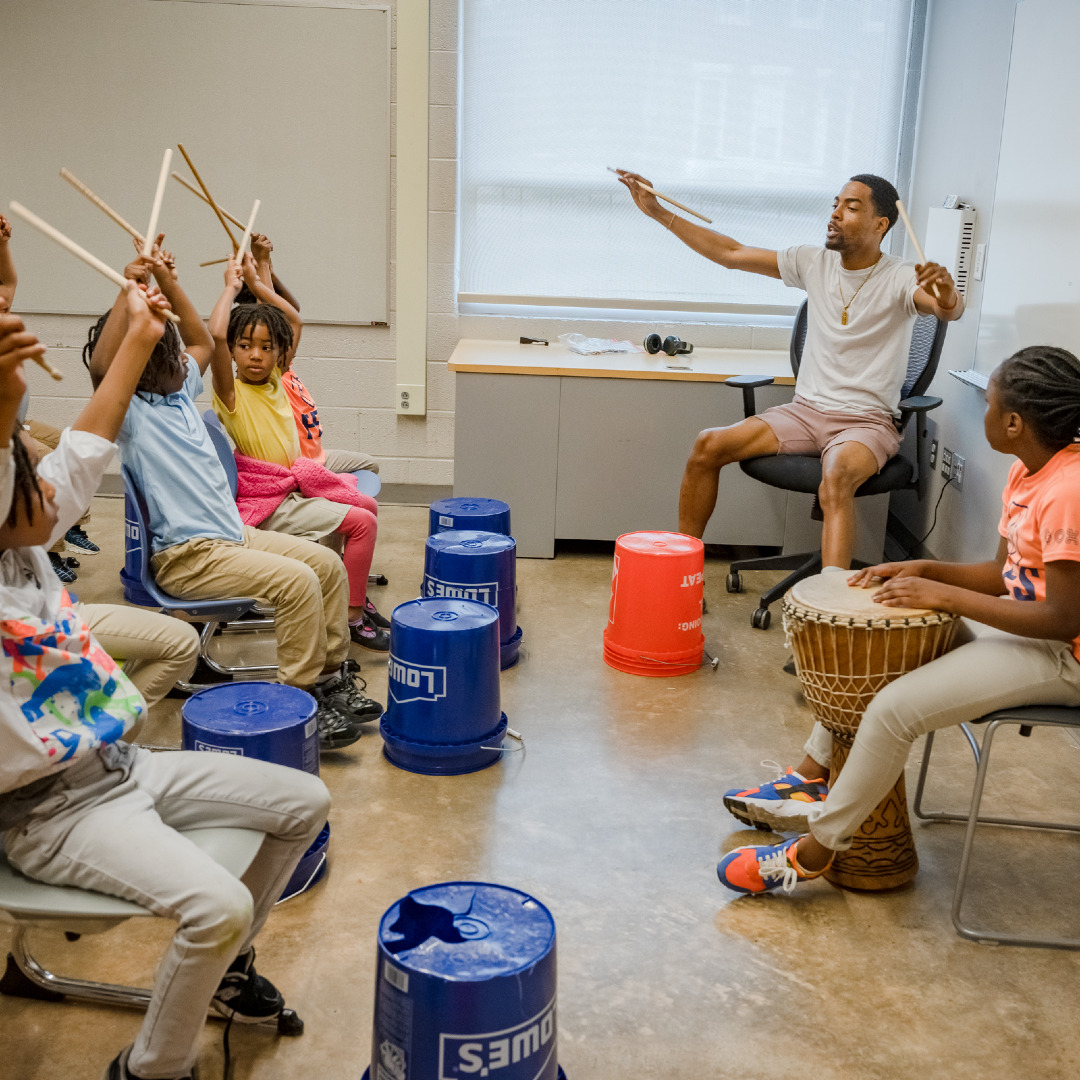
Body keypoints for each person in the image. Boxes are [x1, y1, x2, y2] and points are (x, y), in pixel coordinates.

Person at [0, 293, 332, 1080]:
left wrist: (141, 332)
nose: (55, 496)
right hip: (44, 811)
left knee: (304, 805)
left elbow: (81, 445)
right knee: (214, 905)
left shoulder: (29, 553)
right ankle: (152, 1068)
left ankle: (223, 973)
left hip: (121, 768)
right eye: (30, 485)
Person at [716, 345, 1080, 894]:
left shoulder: (1069, 491)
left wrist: (944, 597)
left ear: (1013, 422)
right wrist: (924, 568)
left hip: (1064, 656)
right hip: (1021, 627)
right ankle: (812, 777)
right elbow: (1005, 575)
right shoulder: (1028, 472)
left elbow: (1061, 617)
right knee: (879, 651)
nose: (982, 411)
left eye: (988, 403)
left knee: (891, 711)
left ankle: (811, 854)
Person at [84, 242, 380, 749]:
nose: (184, 355)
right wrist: (128, 287)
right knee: (299, 583)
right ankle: (301, 701)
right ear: (140, 368)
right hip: (188, 556)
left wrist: (168, 281)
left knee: (326, 568)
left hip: (230, 536)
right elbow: (105, 366)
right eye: (168, 350)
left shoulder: (178, 395)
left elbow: (204, 338)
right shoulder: (129, 410)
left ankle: (330, 681)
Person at [617, 170, 965, 569]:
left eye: (851, 207)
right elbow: (730, 253)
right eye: (835, 204)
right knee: (707, 445)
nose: (835, 213)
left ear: (879, 224)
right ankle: (681, 572)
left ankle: (829, 605)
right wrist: (658, 212)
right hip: (804, 413)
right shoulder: (812, 261)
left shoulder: (901, 277)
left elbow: (945, 310)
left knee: (834, 479)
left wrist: (947, 293)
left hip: (865, 423)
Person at [208, 255, 388, 649]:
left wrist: (257, 282)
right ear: (234, 352)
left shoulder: (275, 379)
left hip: (293, 485)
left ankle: (350, 591)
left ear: (278, 355)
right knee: (364, 523)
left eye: (265, 348)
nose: (255, 355)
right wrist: (229, 287)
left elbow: (294, 320)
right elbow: (216, 336)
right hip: (271, 500)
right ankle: (352, 616)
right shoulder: (231, 393)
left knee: (367, 511)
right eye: (245, 346)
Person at [0, 215, 99, 578]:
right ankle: (48, 551)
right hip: (4, 428)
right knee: (39, 458)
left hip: (16, 422)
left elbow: (9, 280)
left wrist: (4, 245)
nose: (4, 303)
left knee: (67, 444)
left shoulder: (2, 307)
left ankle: (69, 525)